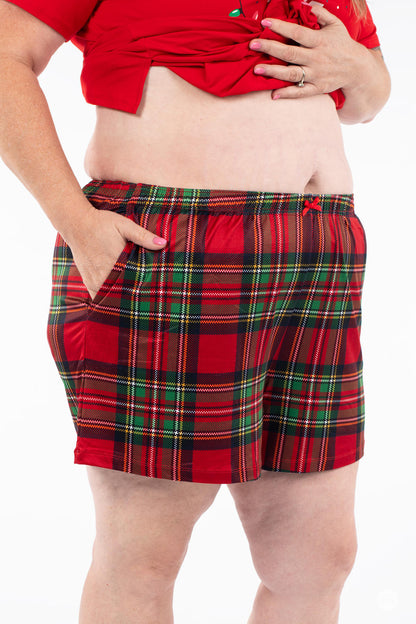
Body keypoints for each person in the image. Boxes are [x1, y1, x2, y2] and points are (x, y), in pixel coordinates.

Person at [0, 1, 390, 623]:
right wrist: (75, 220)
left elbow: (368, 96)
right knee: (144, 553)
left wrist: (359, 71)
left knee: (318, 558)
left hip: (321, 251)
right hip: (173, 245)